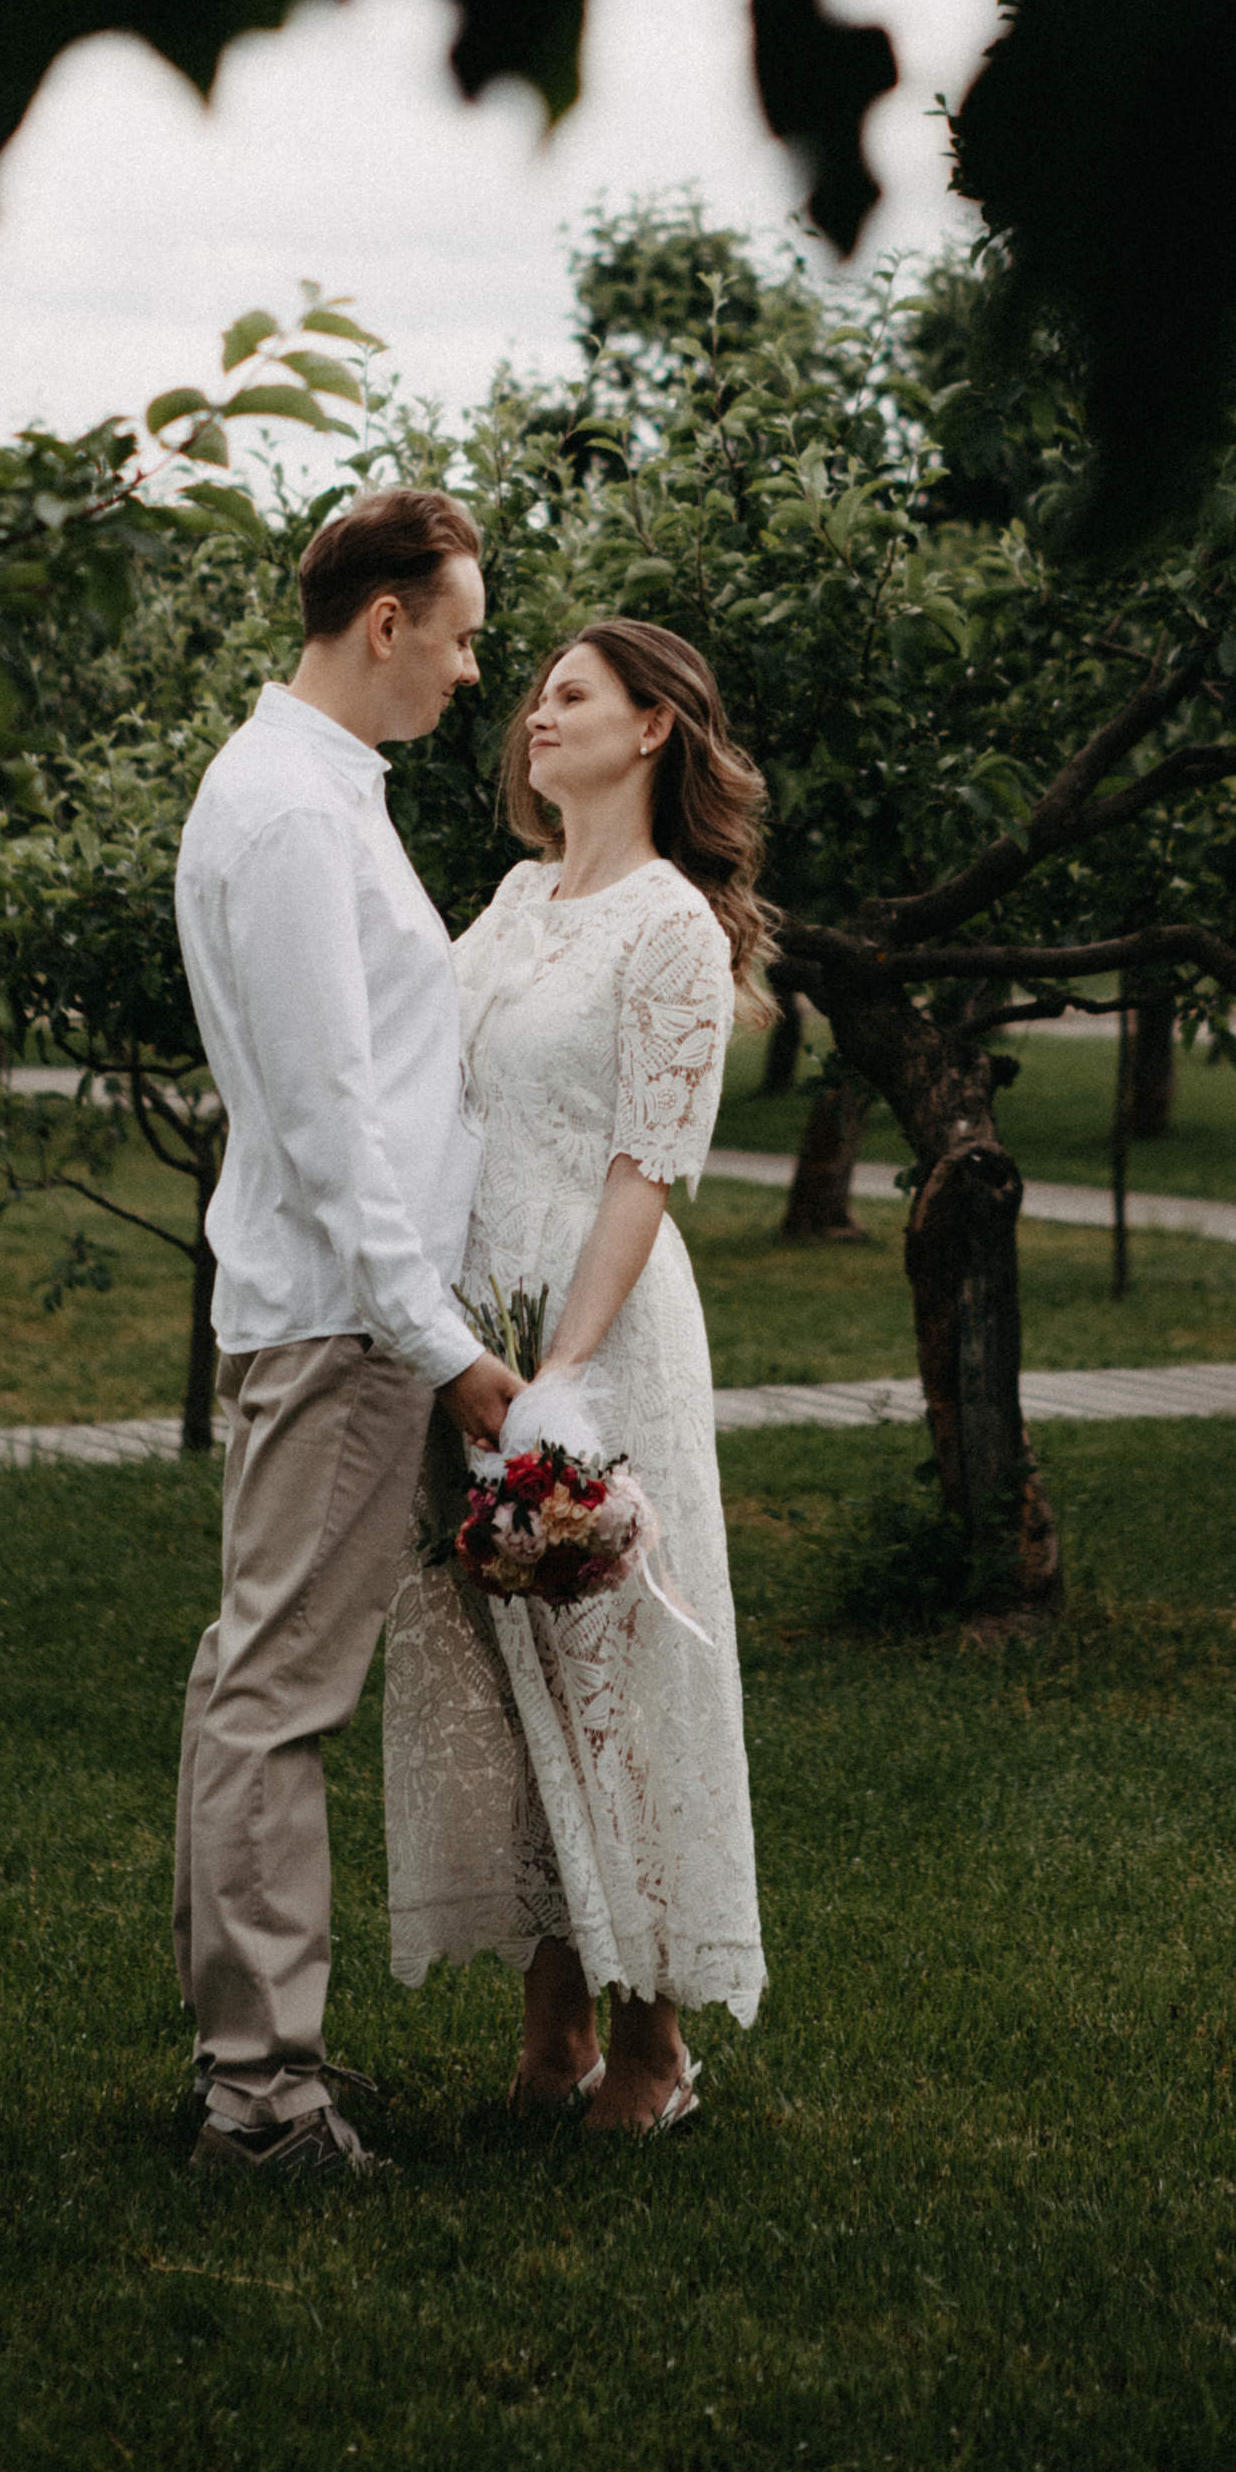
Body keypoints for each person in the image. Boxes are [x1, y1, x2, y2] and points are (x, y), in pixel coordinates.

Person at [170, 486, 523, 2179]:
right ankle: (262, 2102)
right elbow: (330, 1127)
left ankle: (247, 2067)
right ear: (384, 620)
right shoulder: (295, 815)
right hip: (343, 1327)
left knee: (249, 1680)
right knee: (276, 1702)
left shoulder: (312, 791)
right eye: (458, 639)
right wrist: (437, 1338)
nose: (472, 673)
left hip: (326, 1316)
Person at [382, 618, 771, 2132]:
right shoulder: (515, 898)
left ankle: (655, 2044)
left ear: (654, 727)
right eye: (534, 698)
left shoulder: (673, 926)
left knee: (623, 1675)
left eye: (568, 697)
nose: (533, 718)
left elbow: (644, 1169)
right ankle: (552, 2034)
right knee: (512, 1676)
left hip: (596, 1333)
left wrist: (562, 1381)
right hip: (476, 1328)